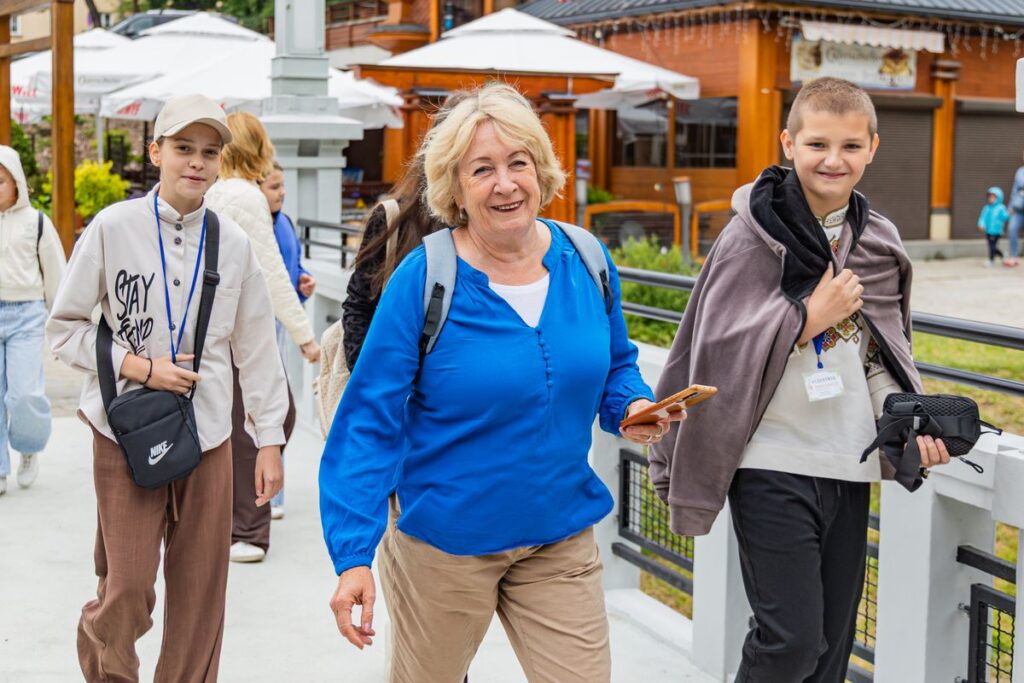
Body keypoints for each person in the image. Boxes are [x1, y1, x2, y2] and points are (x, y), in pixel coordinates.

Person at [320, 82, 681, 683]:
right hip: (444, 544)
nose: (505, 184)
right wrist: (353, 554)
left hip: (558, 536)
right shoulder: (425, 278)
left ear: (540, 170)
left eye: (518, 163)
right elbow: (368, 420)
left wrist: (632, 406)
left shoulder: (587, 259)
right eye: (482, 169)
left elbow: (616, 365)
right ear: (455, 188)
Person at [649, 77, 951, 682]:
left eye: (850, 146)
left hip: (847, 463)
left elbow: (880, 356)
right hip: (769, 461)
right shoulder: (751, 235)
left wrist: (908, 421)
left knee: (831, 647)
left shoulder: (876, 240)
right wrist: (807, 317)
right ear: (788, 144)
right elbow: (717, 347)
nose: (833, 160)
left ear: (872, 148)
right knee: (790, 640)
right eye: (817, 144)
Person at [47, 94, 288, 682]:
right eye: (184, 148)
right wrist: (140, 367)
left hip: (208, 435)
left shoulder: (233, 243)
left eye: (209, 151)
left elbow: (258, 348)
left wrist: (269, 440)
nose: (196, 162)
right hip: (125, 431)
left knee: (201, 593)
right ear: (156, 152)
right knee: (127, 587)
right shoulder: (113, 228)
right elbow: (64, 330)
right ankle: (108, 666)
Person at [205, 112, 315, 563]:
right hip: (241, 330)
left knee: (238, 423)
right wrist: (305, 336)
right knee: (266, 419)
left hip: (211, 329)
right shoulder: (246, 197)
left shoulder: (213, 191)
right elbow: (271, 272)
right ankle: (247, 529)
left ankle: (229, 519)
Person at [0, 145, 65, 496]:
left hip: (26, 315)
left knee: (24, 393)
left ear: (17, 183)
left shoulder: (37, 222)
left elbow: (57, 276)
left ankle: (28, 447)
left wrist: (63, 329)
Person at [260, 160, 315, 520]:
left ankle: (274, 495)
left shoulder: (285, 223)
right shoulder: (255, 226)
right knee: (270, 407)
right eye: (273, 186)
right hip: (262, 325)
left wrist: (304, 280)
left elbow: (290, 270)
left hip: (282, 324)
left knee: (280, 406)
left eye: (282, 186)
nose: (281, 193)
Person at [978, 186, 1009, 267]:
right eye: (989, 197)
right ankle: (1002, 255)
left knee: (992, 246)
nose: (990, 198)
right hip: (988, 231)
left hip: (997, 231)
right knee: (992, 246)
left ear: (998, 198)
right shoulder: (987, 208)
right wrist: (981, 224)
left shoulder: (1001, 208)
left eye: (993, 197)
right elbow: (982, 217)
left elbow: (1004, 217)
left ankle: (991, 260)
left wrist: (1008, 213)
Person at [1006, 154, 1024, 267]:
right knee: (1012, 228)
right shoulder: (1020, 171)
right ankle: (1014, 256)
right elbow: (1015, 189)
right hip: (1019, 206)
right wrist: (1010, 206)